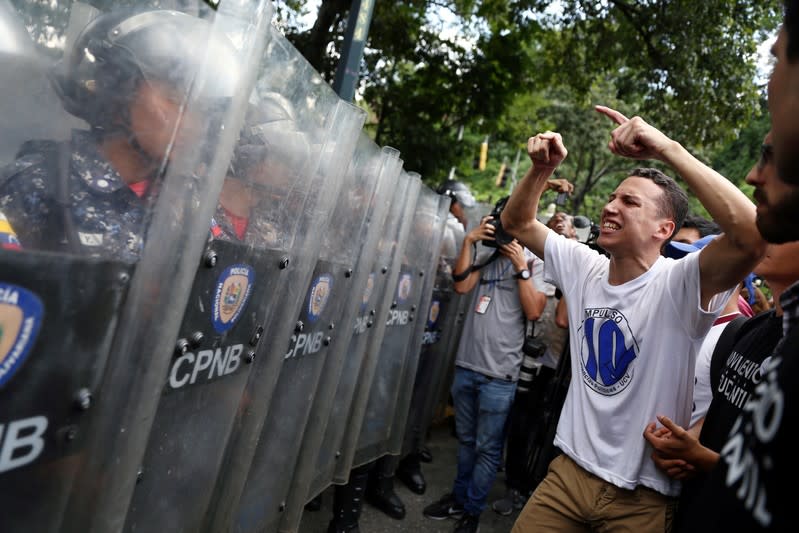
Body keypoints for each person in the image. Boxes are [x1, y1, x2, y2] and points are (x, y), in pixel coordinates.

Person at [501, 105, 765, 532]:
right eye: (611, 196)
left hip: (642, 500)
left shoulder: (683, 284)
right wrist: (540, 169)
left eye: (629, 201)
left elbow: (752, 235)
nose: (611, 206)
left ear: (664, 229)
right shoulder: (583, 265)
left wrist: (666, 148)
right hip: (566, 477)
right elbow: (517, 221)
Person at [642, 133, 798, 533]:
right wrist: (680, 446)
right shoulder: (745, 335)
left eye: (781, 230)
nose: (766, 236)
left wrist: (703, 459)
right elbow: (715, 419)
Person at [0, 8, 237, 261]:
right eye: (175, 98)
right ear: (119, 91)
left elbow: (232, 276)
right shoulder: (38, 185)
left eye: (203, 108)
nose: (194, 122)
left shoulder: (186, 198)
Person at [422, 197, 548, 533]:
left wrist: (520, 265)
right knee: (465, 441)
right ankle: (459, 499)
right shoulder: (487, 254)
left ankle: (472, 512)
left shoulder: (535, 261)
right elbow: (461, 284)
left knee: (487, 448)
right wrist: (469, 240)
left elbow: (535, 310)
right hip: (467, 364)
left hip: (500, 374)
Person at [491, 211, 574, 516]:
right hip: (540, 359)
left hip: (565, 371)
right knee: (522, 424)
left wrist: (573, 245)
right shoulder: (540, 258)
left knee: (546, 433)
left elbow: (564, 317)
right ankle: (514, 485)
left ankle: (532, 488)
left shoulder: (582, 262)